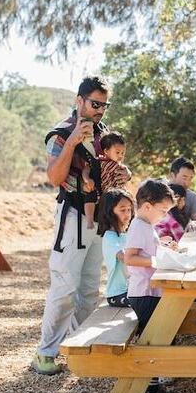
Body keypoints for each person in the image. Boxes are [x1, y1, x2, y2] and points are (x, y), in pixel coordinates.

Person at [31, 76, 128, 376]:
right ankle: (46, 352)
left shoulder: (105, 135)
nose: (99, 110)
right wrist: (73, 140)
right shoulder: (61, 133)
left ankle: (79, 347)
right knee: (64, 285)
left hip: (100, 216)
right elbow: (54, 177)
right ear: (80, 100)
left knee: (88, 288)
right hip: (72, 214)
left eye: (104, 105)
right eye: (95, 104)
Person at [124, 179, 180, 393]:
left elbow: (147, 249)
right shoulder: (139, 226)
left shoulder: (146, 226)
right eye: (163, 211)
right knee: (153, 340)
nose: (165, 216)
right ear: (147, 206)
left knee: (160, 335)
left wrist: (162, 246)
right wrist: (157, 259)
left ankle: (154, 385)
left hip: (150, 291)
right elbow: (130, 257)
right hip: (144, 293)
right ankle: (150, 390)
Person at [99, 189, 135, 307]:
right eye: (122, 210)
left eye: (129, 209)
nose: (127, 213)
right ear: (110, 212)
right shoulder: (110, 237)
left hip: (130, 290)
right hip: (117, 294)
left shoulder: (126, 235)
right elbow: (125, 258)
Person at [168, 157, 196, 230]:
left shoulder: (193, 197)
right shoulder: (158, 192)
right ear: (172, 175)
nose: (187, 183)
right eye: (184, 178)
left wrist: (191, 224)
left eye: (190, 178)